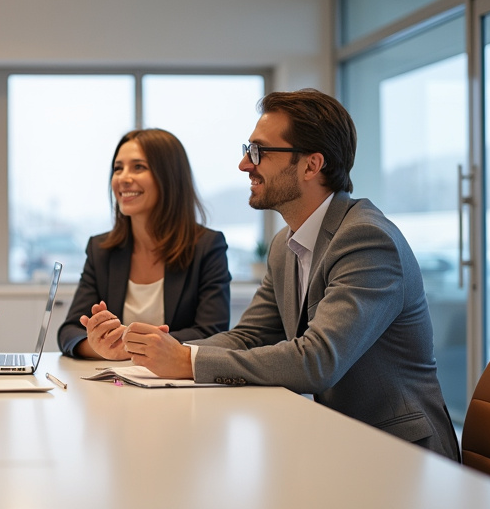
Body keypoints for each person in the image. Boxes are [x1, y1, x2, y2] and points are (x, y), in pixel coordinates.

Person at [122, 89, 461, 461]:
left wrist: (187, 363)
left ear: (312, 166)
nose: (244, 165)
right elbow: (250, 336)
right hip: (334, 441)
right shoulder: (286, 244)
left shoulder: (366, 239)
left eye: (258, 152)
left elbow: (317, 361)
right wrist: (165, 353)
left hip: (400, 455)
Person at [57, 128, 231, 360]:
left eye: (139, 167)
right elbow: (70, 332)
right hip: (116, 387)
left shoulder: (207, 246)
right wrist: (103, 347)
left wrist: (132, 345)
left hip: (182, 388)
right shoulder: (101, 250)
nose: (123, 178)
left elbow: (212, 332)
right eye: (118, 168)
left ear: (170, 176)